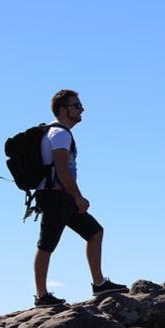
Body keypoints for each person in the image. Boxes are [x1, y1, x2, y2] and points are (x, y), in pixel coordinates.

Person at [33, 89, 127, 307]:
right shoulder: (60, 134)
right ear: (63, 109)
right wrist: (78, 197)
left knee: (94, 231)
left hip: (60, 196)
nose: (81, 109)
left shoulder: (55, 133)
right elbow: (62, 168)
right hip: (57, 196)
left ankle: (99, 283)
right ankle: (42, 296)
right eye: (76, 105)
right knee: (46, 244)